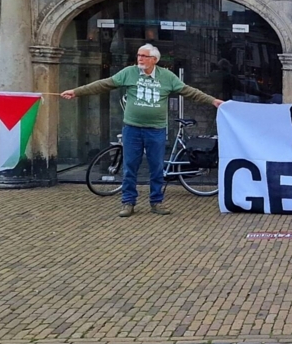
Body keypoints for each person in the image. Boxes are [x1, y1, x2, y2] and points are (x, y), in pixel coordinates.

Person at [61, 43, 223, 218]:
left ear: (154, 59)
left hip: (156, 130)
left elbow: (189, 91)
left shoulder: (167, 76)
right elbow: (104, 84)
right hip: (132, 129)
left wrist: (213, 101)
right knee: (130, 166)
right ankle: (128, 202)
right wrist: (76, 92)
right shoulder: (128, 73)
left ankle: (156, 202)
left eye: (144, 56)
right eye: (138, 55)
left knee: (156, 167)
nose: (139, 58)